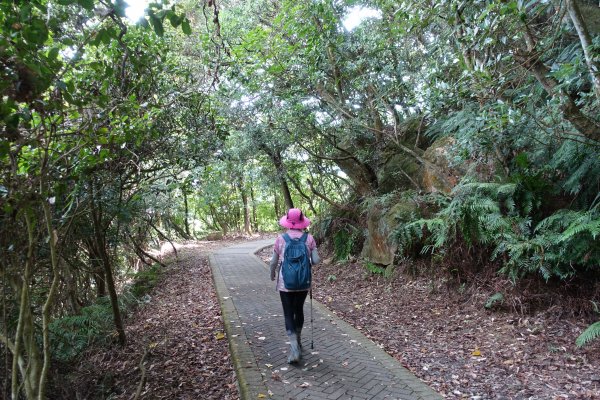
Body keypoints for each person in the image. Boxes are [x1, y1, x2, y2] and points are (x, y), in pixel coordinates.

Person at [269, 208, 320, 364]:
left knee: (288, 313)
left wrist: (272, 274)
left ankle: (294, 348)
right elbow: (316, 260)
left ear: (288, 222)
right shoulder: (309, 238)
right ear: (302, 222)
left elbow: (273, 262)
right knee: (299, 310)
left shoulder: (281, 239)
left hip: (286, 283)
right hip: (303, 283)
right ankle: (298, 340)